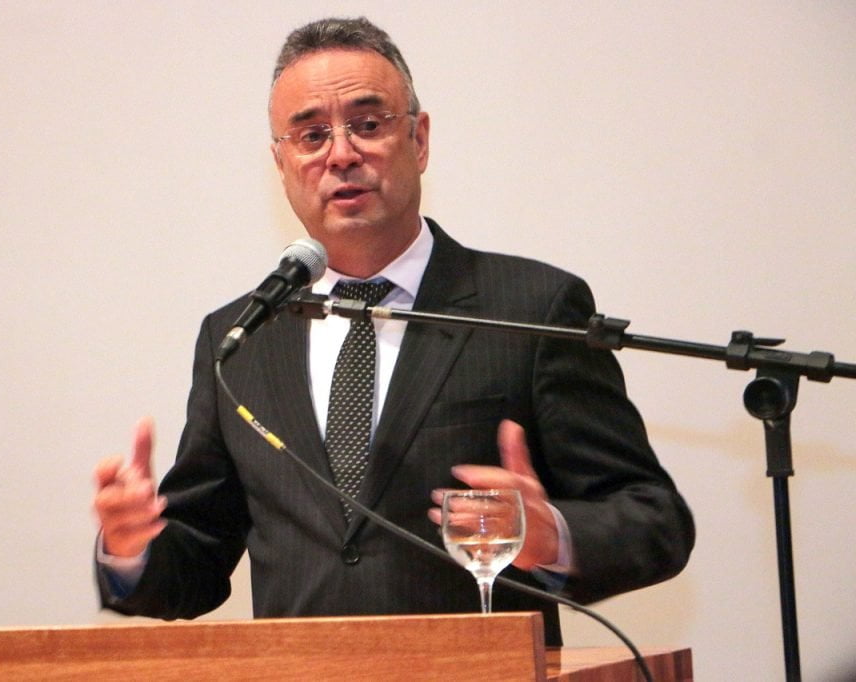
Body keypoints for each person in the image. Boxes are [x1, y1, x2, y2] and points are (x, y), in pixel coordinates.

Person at [92, 16, 694, 646]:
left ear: (420, 139)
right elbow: (197, 559)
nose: (341, 154)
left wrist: (552, 537)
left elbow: (654, 520)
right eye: (311, 135)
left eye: (368, 124)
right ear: (282, 162)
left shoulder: (531, 308)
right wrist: (130, 546)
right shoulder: (240, 337)